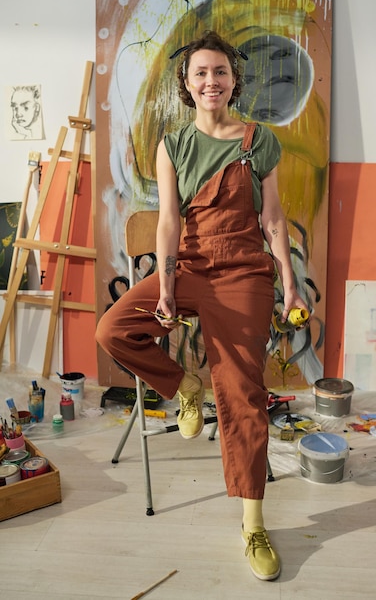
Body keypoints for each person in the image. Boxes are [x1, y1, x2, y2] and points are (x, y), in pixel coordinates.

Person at [96, 30, 308, 581]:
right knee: (114, 328)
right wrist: (165, 288)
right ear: (186, 86)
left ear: (234, 80)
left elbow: (274, 220)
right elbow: (168, 221)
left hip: (242, 271)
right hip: (190, 265)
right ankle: (185, 389)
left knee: (243, 394)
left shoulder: (259, 141)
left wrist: (289, 283)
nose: (210, 81)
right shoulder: (173, 145)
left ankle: (253, 523)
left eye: (219, 72)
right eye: (199, 74)